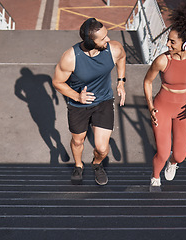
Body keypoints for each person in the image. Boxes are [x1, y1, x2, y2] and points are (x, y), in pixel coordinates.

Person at [53, 18, 126, 185]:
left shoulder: (113, 49)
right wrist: (77, 96)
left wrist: (121, 81)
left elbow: (122, 58)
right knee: (78, 140)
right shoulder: (70, 57)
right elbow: (57, 82)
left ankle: (97, 164)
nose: (108, 40)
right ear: (89, 42)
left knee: (101, 148)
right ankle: (78, 165)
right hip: (79, 105)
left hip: (104, 101)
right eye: (103, 38)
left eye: (107, 35)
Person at [143, 1, 186, 192]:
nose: (167, 44)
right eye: (168, 40)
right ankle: (155, 178)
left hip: (184, 109)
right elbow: (147, 82)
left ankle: (173, 163)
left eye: (172, 41)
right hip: (162, 107)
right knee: (162, 152)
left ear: (185, 43)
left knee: (179, 155)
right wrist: (149, 106)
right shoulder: (163, 60)